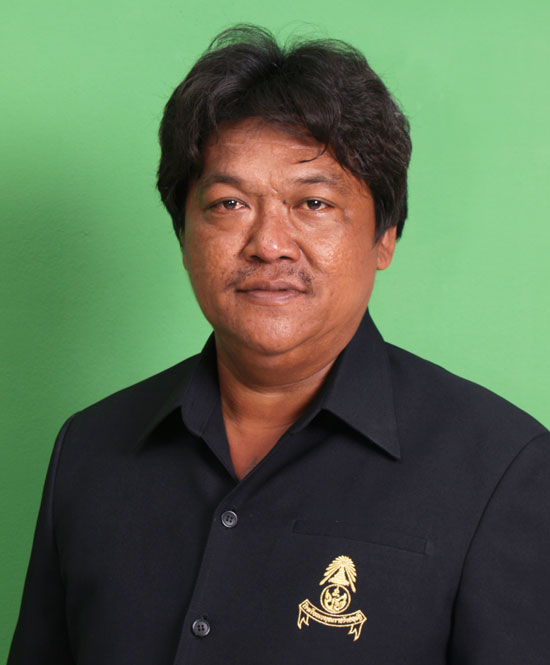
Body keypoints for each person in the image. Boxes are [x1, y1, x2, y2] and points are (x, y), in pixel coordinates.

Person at [8, 24, 549, 665]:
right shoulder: (90, 449)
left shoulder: (503, 471)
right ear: (183, 233)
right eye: (229, 203)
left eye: (313, 203)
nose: (268, 244)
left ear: (384, 236)